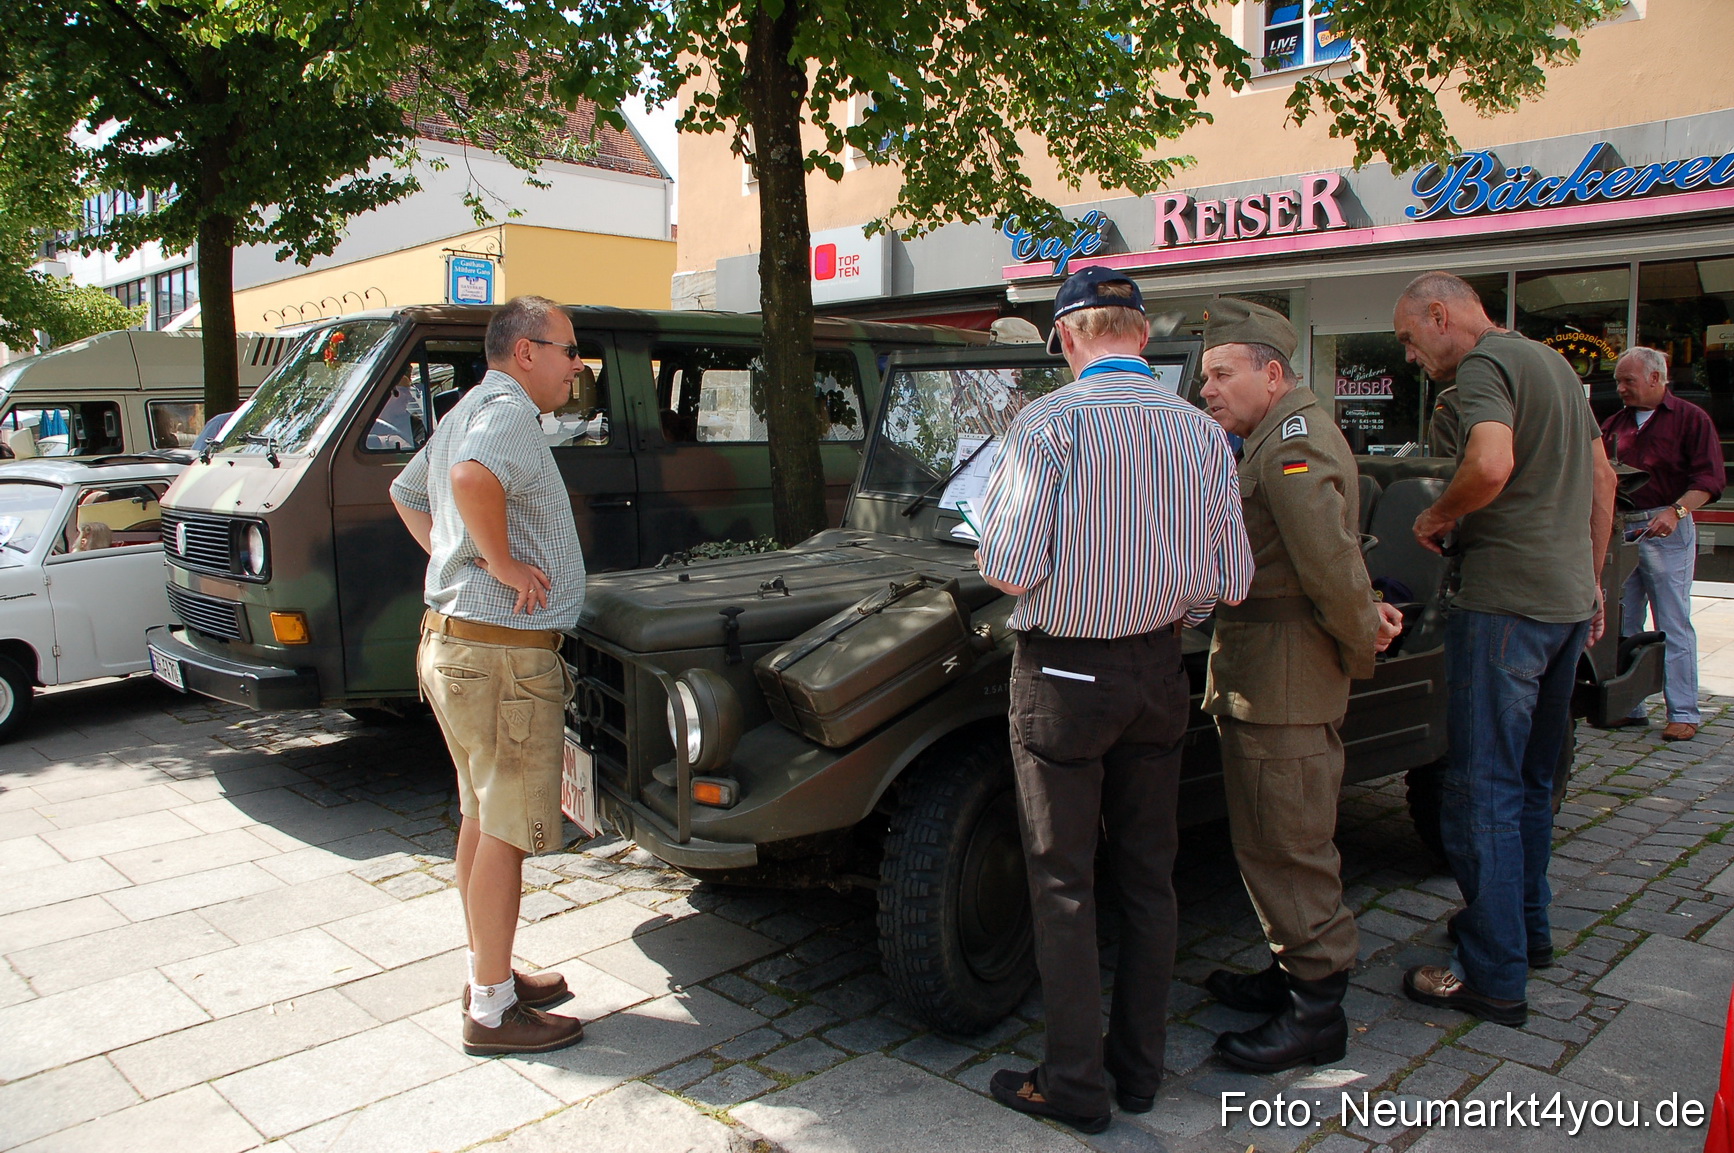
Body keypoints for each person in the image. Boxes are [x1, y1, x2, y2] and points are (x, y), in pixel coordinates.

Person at [976, 265, 1254, 1134]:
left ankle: (1072, 1082)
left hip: (1063, 674)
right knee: (1148, 874)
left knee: (1063, 881)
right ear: (1140, 335)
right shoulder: (1201, 431)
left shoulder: (1046, 424)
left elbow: (1009, 568)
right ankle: (1138, 1070)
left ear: (1066, 338)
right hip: (1157, 670)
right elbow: (1232, 578)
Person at [1393, 271, 1616, 1028]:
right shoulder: (1553, 363)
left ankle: (1493, 975)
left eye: (1409, 336)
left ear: (1439, 312)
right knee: (1529, 782)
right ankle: (1526, 931)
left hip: (1503, 605)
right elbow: (1603, 479)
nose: (1412, 353)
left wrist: (1436, 517)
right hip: (1561, 604)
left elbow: (1489, 463)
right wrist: (1590, 580)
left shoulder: (1486, 366)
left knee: (1481, 787)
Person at [1195, 299, 1404, 1073]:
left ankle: (1317, 1011)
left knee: (1289, 840)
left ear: (1272, 373)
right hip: (1266, 671)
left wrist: (1362, 635)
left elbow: (1327, 562)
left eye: (1223, 373)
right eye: (1207, 374)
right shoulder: (1269, 438)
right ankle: (1292, 974)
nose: (1208, 388)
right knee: (1266, 833)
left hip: (1284, 677)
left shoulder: (1293, 443)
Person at [390, 295, 588, 1056]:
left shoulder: (468, 405)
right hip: (500, 655)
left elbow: (408, 494)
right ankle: (494, 1010)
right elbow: (472, 480)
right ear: (526, 351)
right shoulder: (504, 412)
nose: (578, 364)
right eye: (568, 349)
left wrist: (452, 562)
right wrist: (496, 565)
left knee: (480, 816)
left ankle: (489, 972)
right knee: (505, 828)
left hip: (455, 643)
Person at [1600, 346, 1724, 742]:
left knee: (1671, 621)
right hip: (1623, 529)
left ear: (1656, 378)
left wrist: (1675, 512)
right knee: (1623, 621)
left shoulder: (1691, 420)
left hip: (1667, 527)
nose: (1620, 388)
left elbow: (1709, 481)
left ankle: (1684, 710)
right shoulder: (1613, 423)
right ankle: (1628, 705)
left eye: (1628, 381)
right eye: (1618, 380)